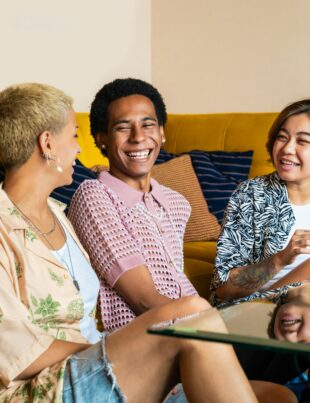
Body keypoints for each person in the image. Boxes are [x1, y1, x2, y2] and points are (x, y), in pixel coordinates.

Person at [1, 82, 293, 403]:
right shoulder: (85, 198)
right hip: (68, 373)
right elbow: (18, 350)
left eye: (148, 124)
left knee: (279, 395)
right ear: (48, 143)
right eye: (74, 136)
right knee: (194, 314)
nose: (79, 148)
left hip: (132, 348)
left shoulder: (58, 214)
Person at [68, 78, 198, 333]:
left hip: (184, 324)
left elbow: (174, 281)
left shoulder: (176, 203)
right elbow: (143, 301)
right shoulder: (93, 197)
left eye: (148, 125)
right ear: (101, 138)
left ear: (162, 132)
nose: (139, 137)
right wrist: (204, 319)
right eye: (123, 128)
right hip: (137, 337)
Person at [211, 99, 310, 306]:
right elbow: (224, 288)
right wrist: (281, 258)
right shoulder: (251, 196)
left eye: (302, 141)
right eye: (282, 138)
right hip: (257, 313)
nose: (287, 149)